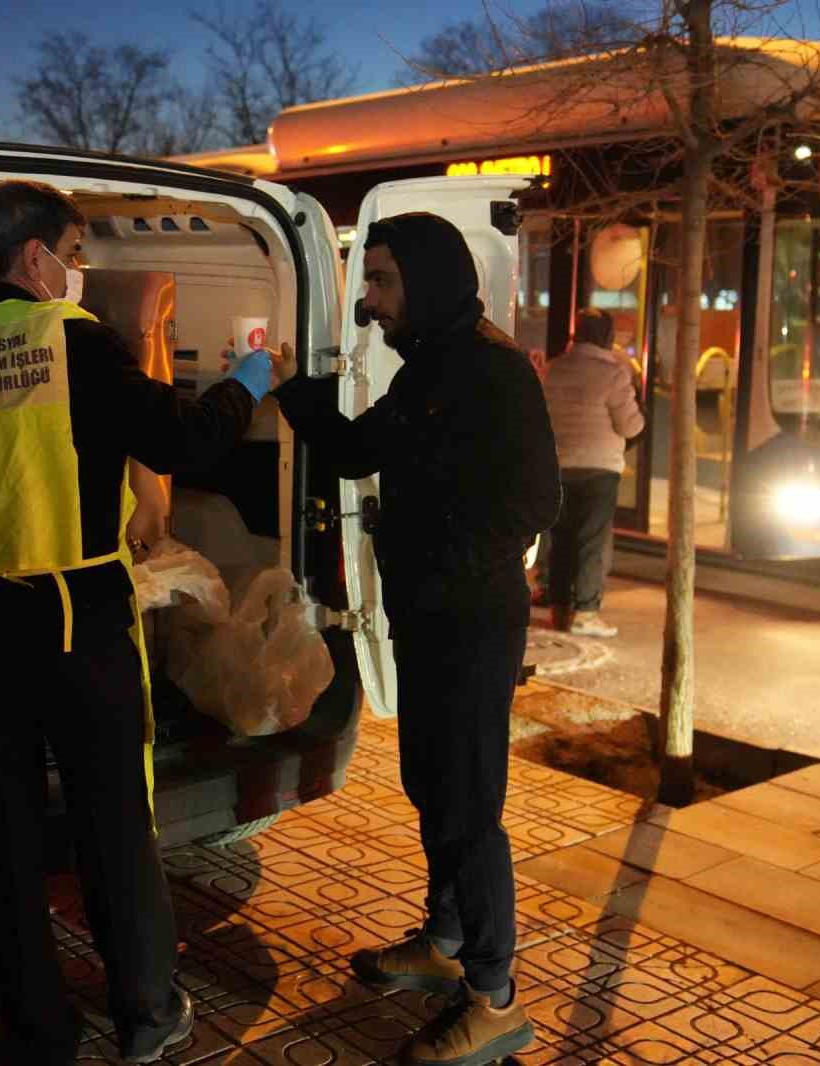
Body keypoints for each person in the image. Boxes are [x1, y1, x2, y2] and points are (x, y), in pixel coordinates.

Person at [0, 180, 288, 1065]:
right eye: (73, 253)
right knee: (113, 821)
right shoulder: (70, 340)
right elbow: (179, 440)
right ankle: (148, 1013)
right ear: (35, 257)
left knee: (1, 836)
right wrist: (244, 384)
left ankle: (39, 1034)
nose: (78, 271)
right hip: (77, 617)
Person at [273, 213, 560, 1066]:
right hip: (427, 614)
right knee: (429, 783)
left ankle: (494, 998)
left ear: (428, 281)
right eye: (370, 280)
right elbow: (359, 451)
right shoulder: (427, 366)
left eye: (384, 280)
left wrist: (445, 558)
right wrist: (294, 392)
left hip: (470, 619)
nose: (371, 300)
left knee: (469, 805)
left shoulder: (494, 370)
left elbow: (536, 502)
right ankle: (445, 940)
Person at [542, 308, 645, 638]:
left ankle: (559, 609)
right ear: (607, 337)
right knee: (591, 541)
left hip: (558, 465)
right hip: (599, 469)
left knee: (560, 539)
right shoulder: (613, 374)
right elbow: (631, 426)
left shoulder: (553, 369)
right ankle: (586, 612)